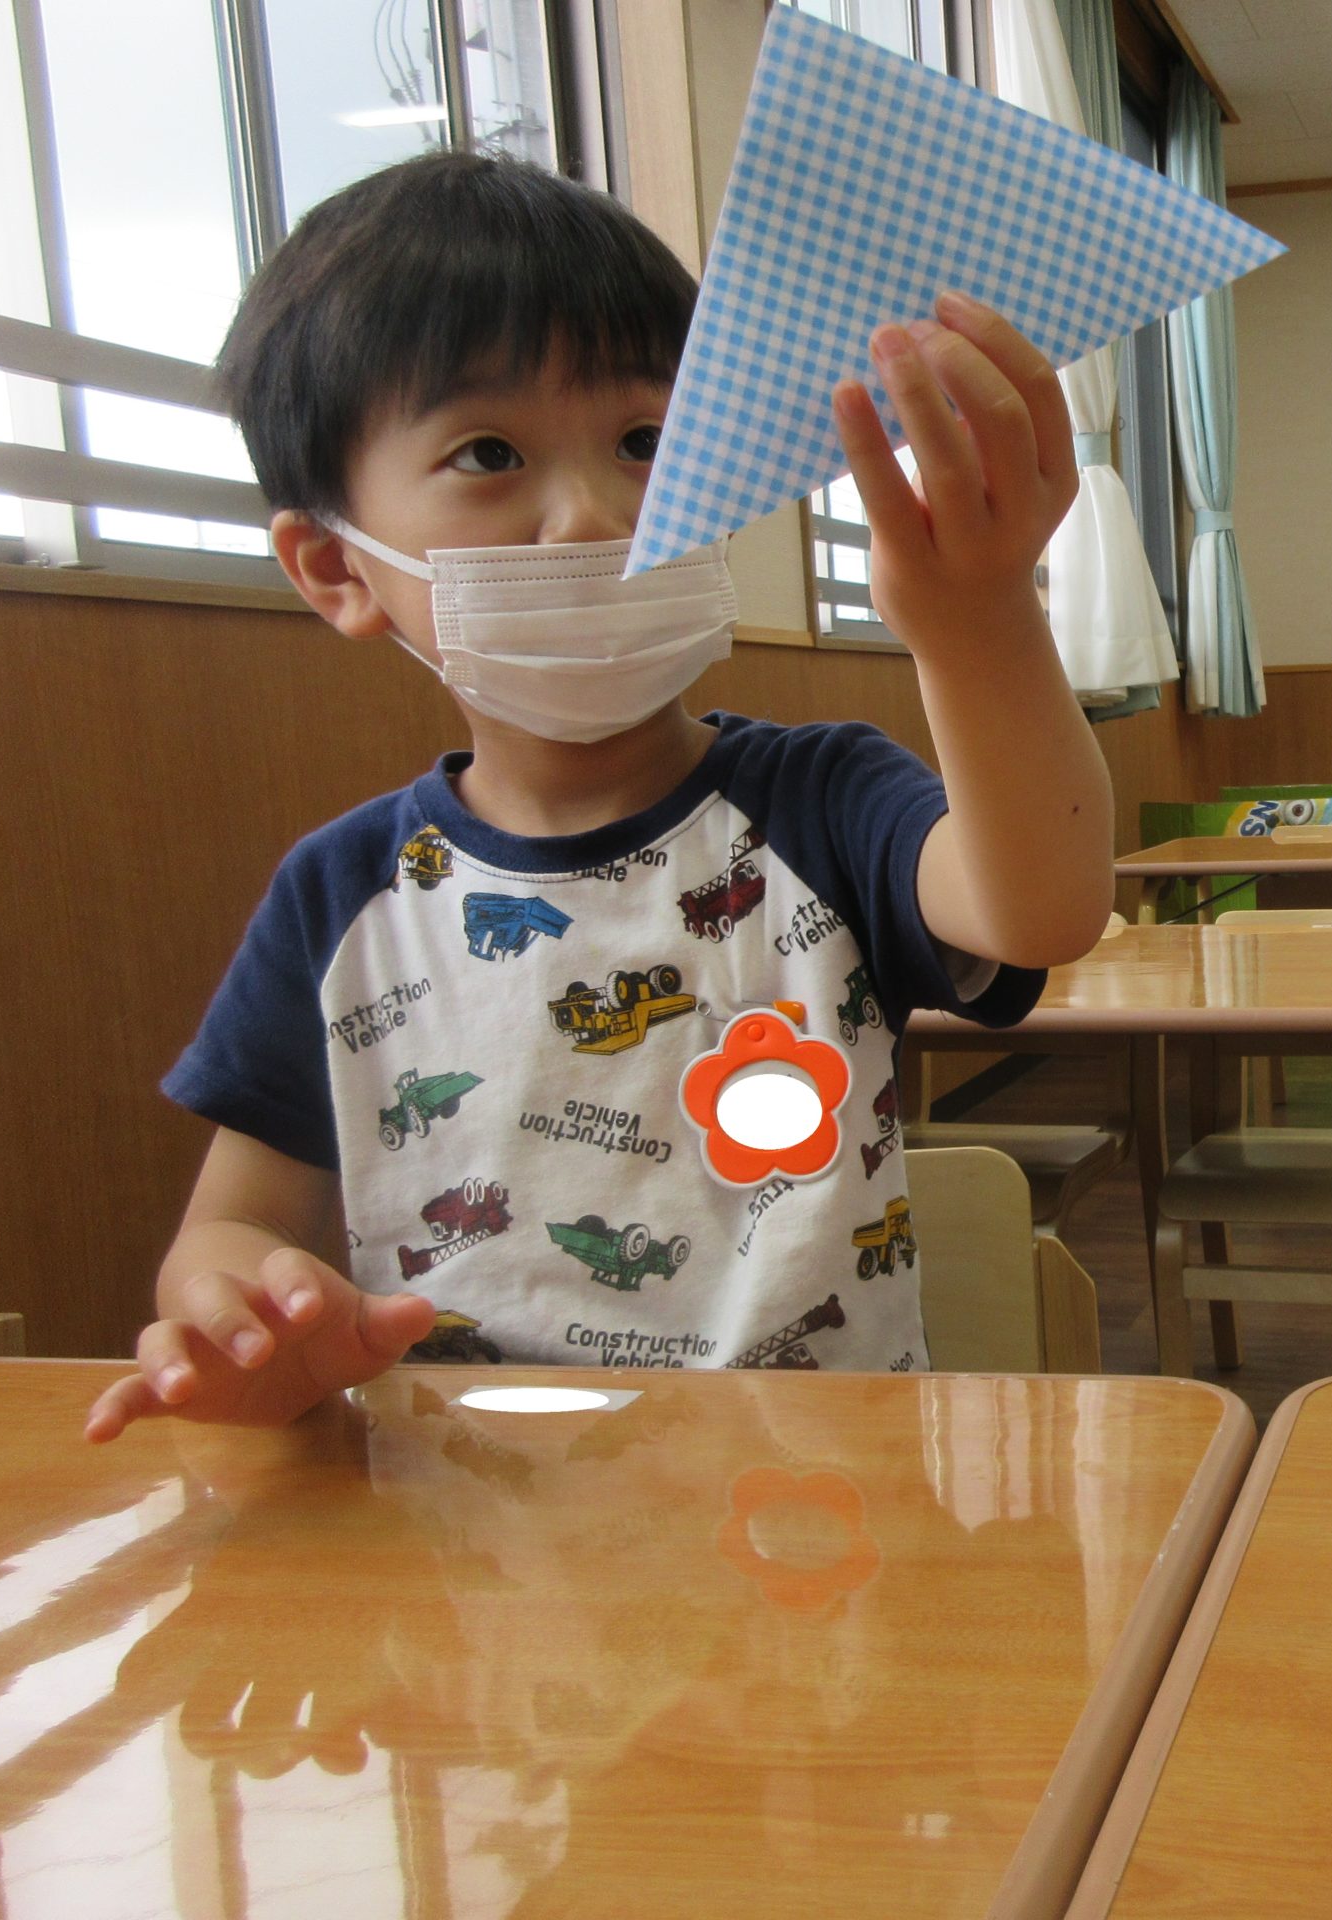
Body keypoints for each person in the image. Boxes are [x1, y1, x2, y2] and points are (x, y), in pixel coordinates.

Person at [85, 152, 1114, 1441]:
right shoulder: (343, 897)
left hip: (816, 1536)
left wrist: (978, 625)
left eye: (645, 439)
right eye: (490, 452)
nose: (591, 514)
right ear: (334, 567)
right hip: (467, 1556)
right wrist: (248, 1309)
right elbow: (230, 1226)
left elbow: (1046, 906)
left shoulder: (819, 803)